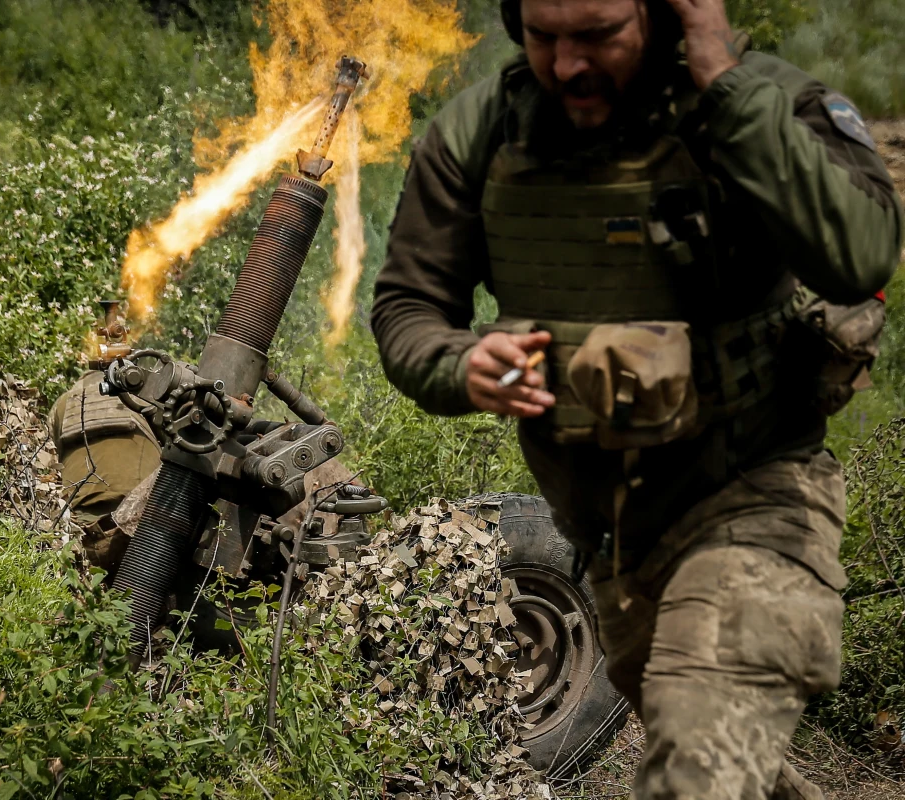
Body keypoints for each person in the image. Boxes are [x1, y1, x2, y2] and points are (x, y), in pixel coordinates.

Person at [371, 0, 902, 797]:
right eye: (545, 37)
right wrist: (460, 362)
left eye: (597, 35)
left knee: (695, 775)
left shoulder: (761, 103)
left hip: (755, 497)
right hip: (608, 538)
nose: (569, 65)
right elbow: (408, 307)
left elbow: (859, 255)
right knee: (708, 750)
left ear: (666, 14)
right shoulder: (483, 132)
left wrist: (726, 86)